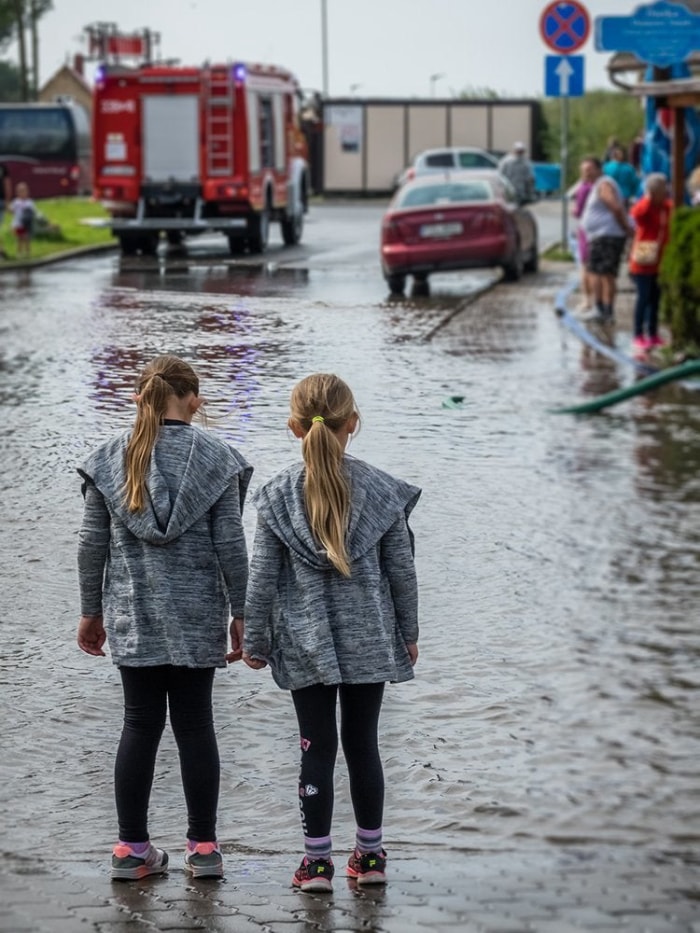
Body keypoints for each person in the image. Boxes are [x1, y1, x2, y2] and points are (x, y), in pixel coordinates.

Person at [76, 354, 252, 881]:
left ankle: (132, 851)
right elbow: (232, 547)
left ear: (139, 397)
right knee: (197, 725)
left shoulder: (110, 458)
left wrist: (90, 611)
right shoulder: (219, 460)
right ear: (193, 400)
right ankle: (203, 851)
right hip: (198, 615)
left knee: (138, 724)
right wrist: (242, 613)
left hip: (134, 614)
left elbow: (91, 546)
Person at [242, 373, 420, 893]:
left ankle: (316, 864)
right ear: (353, 424)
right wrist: (408, 632)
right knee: (364, 745)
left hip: (304, 642)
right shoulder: (384, 491)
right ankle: (369, 860)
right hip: (371, 636)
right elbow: (402, 573)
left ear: (294, 427)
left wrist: (255, 640)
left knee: (314, 748)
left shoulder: (276, 496)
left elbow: (263, 578)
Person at [580, 156, 633, 325]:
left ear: (599, 169)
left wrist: (625, 228)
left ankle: (605, 310)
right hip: (600, 236)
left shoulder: (604, 184)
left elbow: (615, 207)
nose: (586, 174)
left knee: (605, 274)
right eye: (584, 171)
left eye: (589, 170)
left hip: (607, 236)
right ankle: (600, 308)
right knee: (596, 272)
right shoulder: (597, 185)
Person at [628, 173, 673, 353]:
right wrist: (648, 198)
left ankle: (653, 333)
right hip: (644, 260)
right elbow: (637, 214)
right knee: (644, 297)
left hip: (659, 261)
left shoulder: (667, 207)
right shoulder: (645, 208)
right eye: (661, 190)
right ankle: (638, 334)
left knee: (656, 298)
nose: (665, 193)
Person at [571, 159, 596, 311]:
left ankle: (587, 300)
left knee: (585, 266)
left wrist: (572, 210)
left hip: (586, 230)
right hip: (598, 231)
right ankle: (595, 300)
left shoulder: (584, 188)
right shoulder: (601, 186)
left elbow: (578, 212)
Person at [9, 181, 36, 260]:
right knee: (20, 238)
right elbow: (11, 210)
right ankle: (19, 253)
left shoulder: (30, 202)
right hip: (18, 224)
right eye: (20, 191)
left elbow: (33, 211)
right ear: (17, 193)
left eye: (24, 191)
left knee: (27, 238)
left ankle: (28, 252)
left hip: (26, 224)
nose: (22, 193)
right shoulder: (16, 202)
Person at [0, 162, 10, 258]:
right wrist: (7, 202)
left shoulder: (3, 167)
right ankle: (1, 250)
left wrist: (7, 203)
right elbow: (7, 185)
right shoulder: (3, 166)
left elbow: (7, 184)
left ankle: (1, 250)